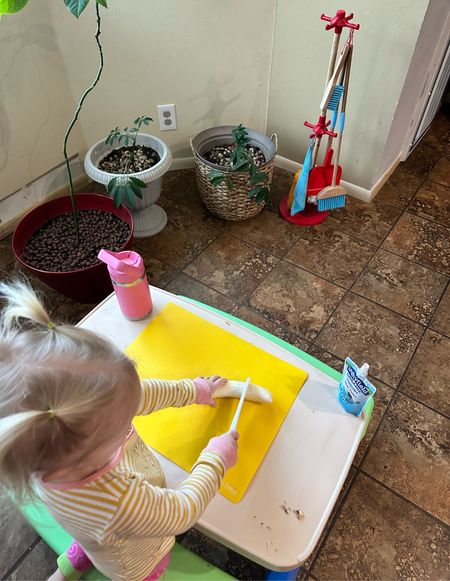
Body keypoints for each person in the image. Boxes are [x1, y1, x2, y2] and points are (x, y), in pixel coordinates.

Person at [0, 281, 239, 581]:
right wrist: (215, 460)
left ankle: (82, 554)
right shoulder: (118, 503)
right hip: (136, 562)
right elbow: (182, 511)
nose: (130, 415)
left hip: (96, 533)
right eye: (124, 420)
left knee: (98, 535)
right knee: (123, 552)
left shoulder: (47, 451)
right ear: (88, 453)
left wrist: (192, 390)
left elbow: (135, 396)